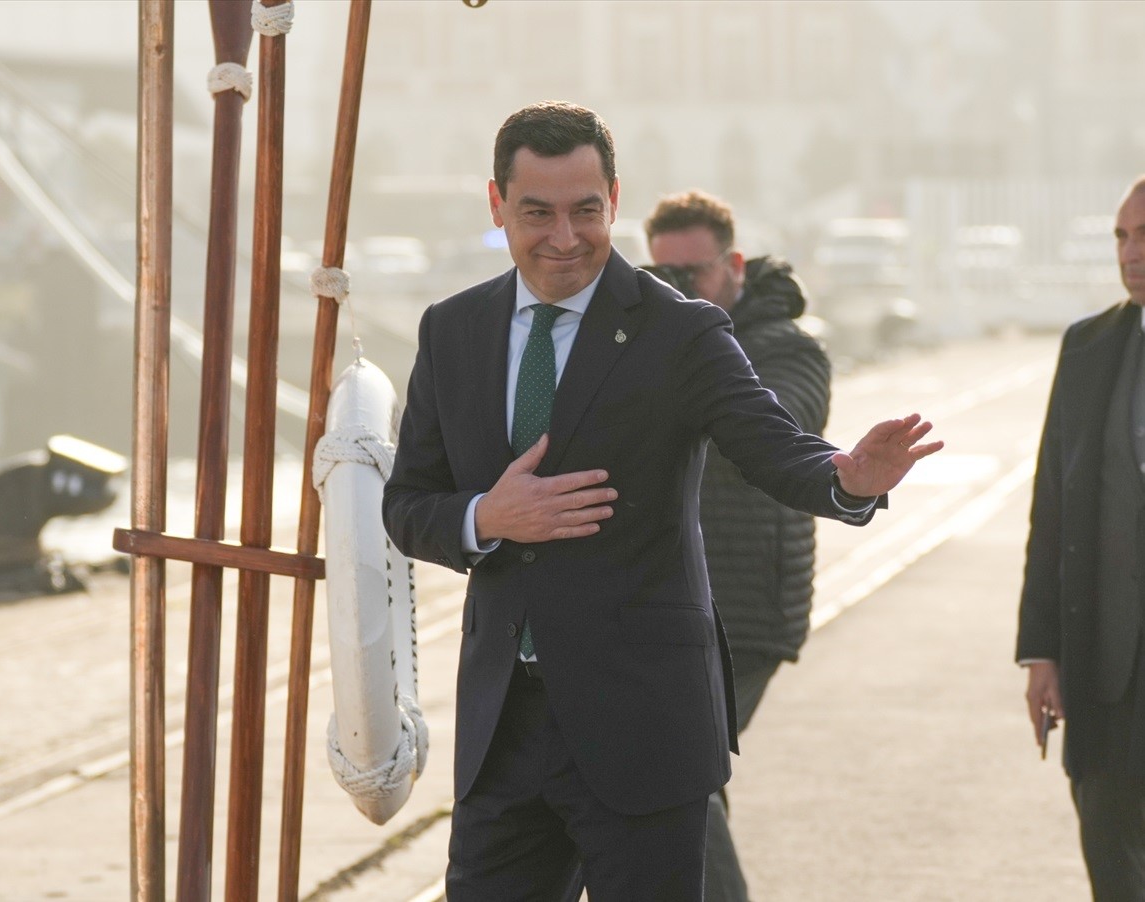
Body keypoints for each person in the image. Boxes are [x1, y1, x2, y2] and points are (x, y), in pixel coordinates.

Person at [383, 101, 942, 901]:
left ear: (615, 200)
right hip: (504, 731)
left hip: (641, 724)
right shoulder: (453, 330)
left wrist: (847, 478)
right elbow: (408, 504)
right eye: (538, 213)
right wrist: (485, 518)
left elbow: (772, 446)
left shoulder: (682, 332)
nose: (565, 237)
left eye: (586, 211)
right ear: (497, 205)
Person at [642, 190, 830, 902]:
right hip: (671, 600)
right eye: (664, 274)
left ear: (736, 265)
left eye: (693, 273)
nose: (681, 289)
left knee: (676, 769)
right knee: (679, 772)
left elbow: (780, 429)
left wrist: (685, 355)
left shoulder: (787, 345)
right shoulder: (655, 338)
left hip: (746, 607)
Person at [1017, 174, 1145, 901]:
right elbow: (1054, 508)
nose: (1131, 253)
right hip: (1106, 669)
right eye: (1122, 237)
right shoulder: (1088, 346)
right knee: (1111, 858)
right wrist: (1041, 650)